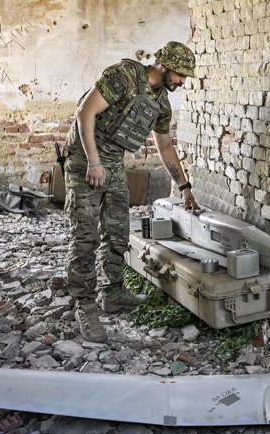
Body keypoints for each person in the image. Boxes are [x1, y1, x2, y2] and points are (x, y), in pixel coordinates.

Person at [63, 41, 198, 342]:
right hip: (85, 157)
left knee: (118, 231)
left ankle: (112, 293)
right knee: (85, 235)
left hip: (111, 162)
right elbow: (85, 113)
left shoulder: (162, 103)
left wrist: (185, 187)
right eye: (179, 74)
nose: (182, 81)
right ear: (163, 64)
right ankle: (84, 304)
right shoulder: (124, 75)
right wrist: (94, 163)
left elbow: (164, 146)